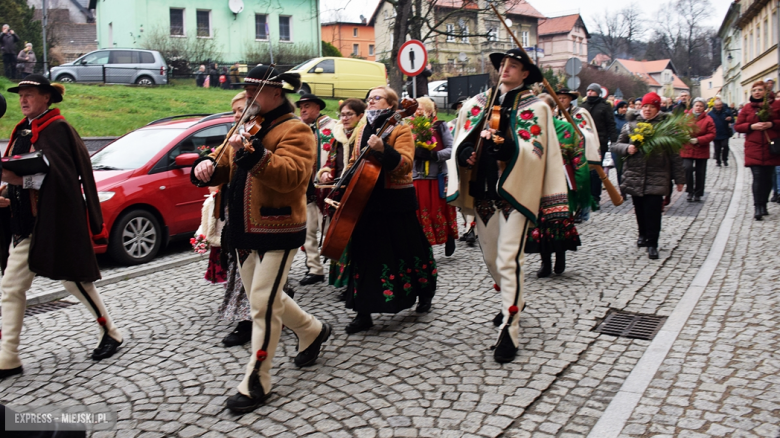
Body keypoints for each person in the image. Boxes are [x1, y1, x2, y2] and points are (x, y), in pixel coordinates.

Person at [192, 65, 332, 413]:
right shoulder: (249, 124)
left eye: (256, 89)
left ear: (275, 93)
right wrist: (207, 165)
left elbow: (293, 177)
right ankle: (313, 331)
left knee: (263, 304)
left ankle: (257, 380)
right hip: (242, 230)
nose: (250, 95)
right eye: (248, 88)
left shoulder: (296, 129)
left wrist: (253, 153)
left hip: (279, 229)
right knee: (268, 299)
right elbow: (223, 157)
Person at [447, 48, 568, 363]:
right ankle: (515, 299)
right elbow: (461, 139)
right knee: (492, 261)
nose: (506, 69)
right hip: (483, 192)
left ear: (526, 73)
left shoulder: (537, 107)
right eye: (503, 65)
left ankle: (509, 330)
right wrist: (464, 154)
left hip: (514, 194)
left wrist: (509, 149)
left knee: (508, 259)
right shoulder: (478, 104)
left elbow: (537, 150)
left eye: (513, 66)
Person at [0, 75, 123, 379]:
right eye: (21, 95)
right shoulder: (24, 130)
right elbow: (20, 171)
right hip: (26, 223)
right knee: (12, 287)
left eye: (29, 94)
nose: (23, 100)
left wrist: (18, 180)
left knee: (74, 281)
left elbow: (62, 181)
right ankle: (8, 357)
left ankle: (111, 332)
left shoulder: (57, 130)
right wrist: (6, 192)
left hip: (54, 221)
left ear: (46, 97)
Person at [338, 85, 437, 333]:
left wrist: (383, 149)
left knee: (410, 249)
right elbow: (353, 161)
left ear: (391, 105)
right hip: (366, 202)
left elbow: (404, 164)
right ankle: (363, 311)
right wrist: (343, 182)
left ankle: (424, 293)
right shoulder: (361, 130)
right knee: (364, 255)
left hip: (395, 202)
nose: (371, 102)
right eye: (369, 98)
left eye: (377, 98)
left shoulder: (400, 128)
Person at [610, 92, 685, 260]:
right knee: (640, 209)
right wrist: (627, 148)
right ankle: (642, 234)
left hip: (657, 174)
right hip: (635, 173)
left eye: (652, 106)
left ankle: (653, 243)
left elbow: (674, 154)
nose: (648, 110)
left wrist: (679, 179)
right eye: (645, 106)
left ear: (658, 108)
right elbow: (615, 146)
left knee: (653, 210)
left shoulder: (666, 127)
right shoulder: (630, 125)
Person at [524, 93, 589, 278]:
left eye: (545, 108)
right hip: (537, 184)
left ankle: (560, 255)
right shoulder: (530, 131)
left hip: (561, 184)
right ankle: (545, 262)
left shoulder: (567, 129)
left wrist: (580, 187)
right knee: (541, 224)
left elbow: (578, 158)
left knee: (559, 220)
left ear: (553, 109)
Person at [319, 98, 367, 291]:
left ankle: (356, 282)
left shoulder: (363, 137)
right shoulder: (337, 138)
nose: (345, 118)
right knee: (340, 237)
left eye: (349, 114)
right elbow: (330, 162)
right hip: (339, 192)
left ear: (360, 116)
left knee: (356, 237)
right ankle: (345, 281)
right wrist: (324, 173)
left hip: (358, 192)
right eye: (342, 114)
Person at [296, 93, 336, 286]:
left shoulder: (333, 127)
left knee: (330, 231)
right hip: (306, 189)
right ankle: (314, 269)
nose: (303, 109)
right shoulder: (299, 129)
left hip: (327, 189)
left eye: (307, 106)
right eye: (301, 106)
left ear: (318, 108)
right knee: (308, 231)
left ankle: (339, 270)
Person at [411, 97, 458, 256]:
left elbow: (452, 149)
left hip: (437, 176)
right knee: (420, 212)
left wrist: (433, 154)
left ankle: (448, 236)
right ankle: (424, 246)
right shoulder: (409, 128)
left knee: (437, 211)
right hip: (417, 177)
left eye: (420, 108)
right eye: (415, 108)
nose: (417, 111)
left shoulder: (440, 126)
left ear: (430, 111)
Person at [734, 80, 780, 220]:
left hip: (771, 146)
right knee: (758, 177)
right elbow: (738, 126)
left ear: (766, 91)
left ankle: (764, 204)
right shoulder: (748, 108)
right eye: (754, 90)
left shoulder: (776, 105)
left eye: (760, 90)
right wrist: (751, 127)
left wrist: (771, 124)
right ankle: (758, 207)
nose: (757, 92)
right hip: (753, 147)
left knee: (768, 178)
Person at [580, 82, 617, 206]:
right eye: (588, 90)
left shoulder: (605, 106)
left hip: (599, 143)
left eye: (592, 91)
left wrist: (613, 139)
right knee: (585, 170)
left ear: (598, 92)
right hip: (584, 142)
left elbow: (610, 124)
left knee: (596, 170)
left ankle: (595, 196)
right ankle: (585, 195)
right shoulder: (583, 106)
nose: (589, 92)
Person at [681, 98, 716, 202]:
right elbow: (677, 129)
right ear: (693, 106)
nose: (698, 108)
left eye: (701, 106)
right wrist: (683, 134)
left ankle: (698, 193)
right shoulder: (685, 117)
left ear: (704, 108)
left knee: (700, 172)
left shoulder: (708, 119)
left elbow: (712, 134)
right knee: (687, 168)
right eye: (696, 105)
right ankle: (690, 191)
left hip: (701, 148)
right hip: (687, 147)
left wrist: (698, 140)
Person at [708, 98, 734, 167]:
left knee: (725, 146)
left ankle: (725, 159)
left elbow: (732, 119)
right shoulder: (710, 114)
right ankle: (718, 161)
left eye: (720, 105)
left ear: (722, 105)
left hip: (725, 132)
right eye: (717, 105)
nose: (718, 106)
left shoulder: (726, 111)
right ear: (714, 105)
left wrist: (730, 119)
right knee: (717, 148)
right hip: (715, 133)